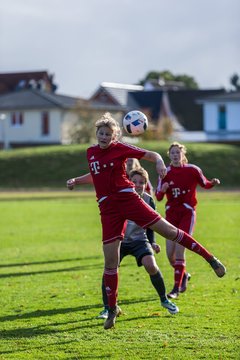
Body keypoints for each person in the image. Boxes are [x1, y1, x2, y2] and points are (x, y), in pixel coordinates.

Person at [66, 112, 226, 330]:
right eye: (100, 133)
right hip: (108, 208)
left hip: (128, 198)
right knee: (110, 262)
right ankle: (112, 309)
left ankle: (211, 259)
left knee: (169, 232)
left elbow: (151, 155)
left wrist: (160, 162)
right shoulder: (91, 152)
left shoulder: (120, 148)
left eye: (108, 134)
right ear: (97, 134)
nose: (103, 137)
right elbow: (96, 175)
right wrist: (76, 180)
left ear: (114, 137)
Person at [97, 167, 179, 320]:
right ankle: (107, 308)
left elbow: (152, 223)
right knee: (109, 270)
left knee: (151, 265)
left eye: (141, 182)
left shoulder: (148, 199)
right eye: (134, 181)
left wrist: (153, 242)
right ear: (128, 182)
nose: (138, 184)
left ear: (146, 184)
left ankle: (164, 300)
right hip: (119, 240)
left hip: (139, 240)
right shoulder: (119, 197)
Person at [155, 142, 221, 299]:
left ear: (182, 154)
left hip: (187, 213)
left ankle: (176, 289)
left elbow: (204, 184)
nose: (175, 155)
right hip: (171, 215)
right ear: (169, 155)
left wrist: (213, 183)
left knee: (179, 250)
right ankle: (183, 275)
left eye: (178, 152)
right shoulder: (165, 173)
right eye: (172, 153)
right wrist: (162, 190)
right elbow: (158, 197)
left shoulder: (193, 170)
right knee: (169, 255)